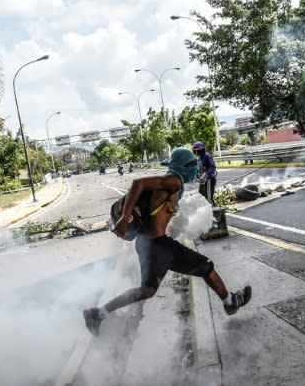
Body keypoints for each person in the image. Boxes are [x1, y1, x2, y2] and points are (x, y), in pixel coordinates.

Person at [82, 147, 252, 336]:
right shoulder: (174, 180)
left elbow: (156, 215)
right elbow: (137, 184)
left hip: (146, 244)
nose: (196, 169)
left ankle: (98, 314)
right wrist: (124, 219)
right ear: (185, 166)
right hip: (158, 246)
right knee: (207, 267)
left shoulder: (169, 184)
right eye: (193, 165)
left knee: (147, 290)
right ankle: (230, 303)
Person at [192, 141, 217, 206]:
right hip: (203, 181)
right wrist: (196, 176)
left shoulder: (207, 156)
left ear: (202, 149)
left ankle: (213, 212)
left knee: (209, 198)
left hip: (209, 179)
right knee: (201, 195)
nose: (197, 152)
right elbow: (199, 169)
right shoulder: (199, 158)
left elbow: (212, 167)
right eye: (195, 150)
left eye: (198, 150)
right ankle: (206, 211)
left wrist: (206, 174)